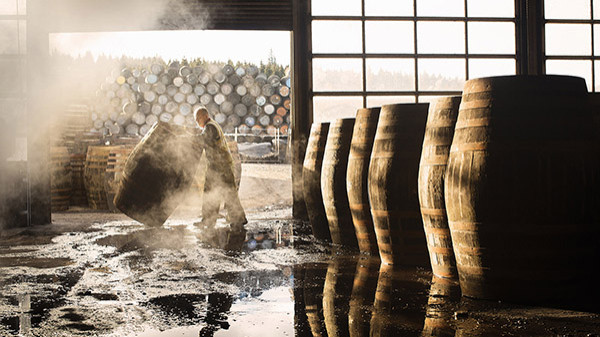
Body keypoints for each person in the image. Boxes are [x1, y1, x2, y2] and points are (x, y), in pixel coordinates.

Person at [194, 106, 247, 237]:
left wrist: (187, 137)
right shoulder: (212, 125)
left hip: (221, 167)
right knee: (211, 193)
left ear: (204, 116)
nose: (196, 122)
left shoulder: (210, 127)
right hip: (217, 166)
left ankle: (237, 220)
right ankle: (209, 220)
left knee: (228, 193)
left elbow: (202, 139)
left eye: (197, 119)